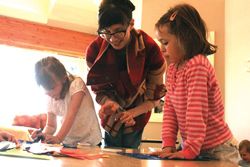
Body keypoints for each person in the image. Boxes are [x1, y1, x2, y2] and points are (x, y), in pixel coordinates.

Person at [151, 4, 239, 160]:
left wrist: (190, 149)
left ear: (185, 39)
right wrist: (168, 145)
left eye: (165, 42)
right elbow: (170, 109)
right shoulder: (172, 69)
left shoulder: (197, 64)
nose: (161, 48)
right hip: (193, 146)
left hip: (217, 149)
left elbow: (196, 111)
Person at [86, 0, 166, 148]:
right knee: (109, 156)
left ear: (131, 24)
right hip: (111, 117)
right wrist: (108, 103)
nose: (112, 39)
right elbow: (99, 91)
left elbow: (154, 97)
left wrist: (133, 113)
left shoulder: (150, 49)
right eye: (106, 32)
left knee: (131, 156)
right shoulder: (94, 52)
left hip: (139, 111)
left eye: (118, 31)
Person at [32, 56, 102, 147]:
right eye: (46, 89)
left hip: (90, 141)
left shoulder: (76, 84)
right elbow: (51, 126)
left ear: (64, 79)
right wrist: (42, 135)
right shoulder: (50, 96)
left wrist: (58, 138)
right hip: (68, 142)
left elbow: (71, 115)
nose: (50, 93)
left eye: (52, 88)